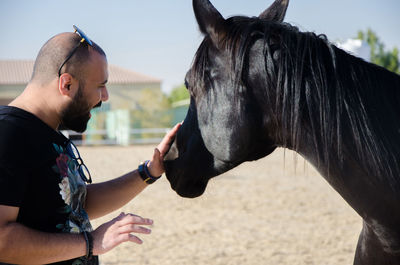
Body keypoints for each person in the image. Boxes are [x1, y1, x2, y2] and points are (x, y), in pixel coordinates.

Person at [0, 26, 181, 265]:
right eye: (100, 86)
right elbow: (2, 241)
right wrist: (91, 242)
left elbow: (74, 205)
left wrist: (149, 171)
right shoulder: (8, 133)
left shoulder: (47, 132)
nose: (105, 97)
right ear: (66, 84)